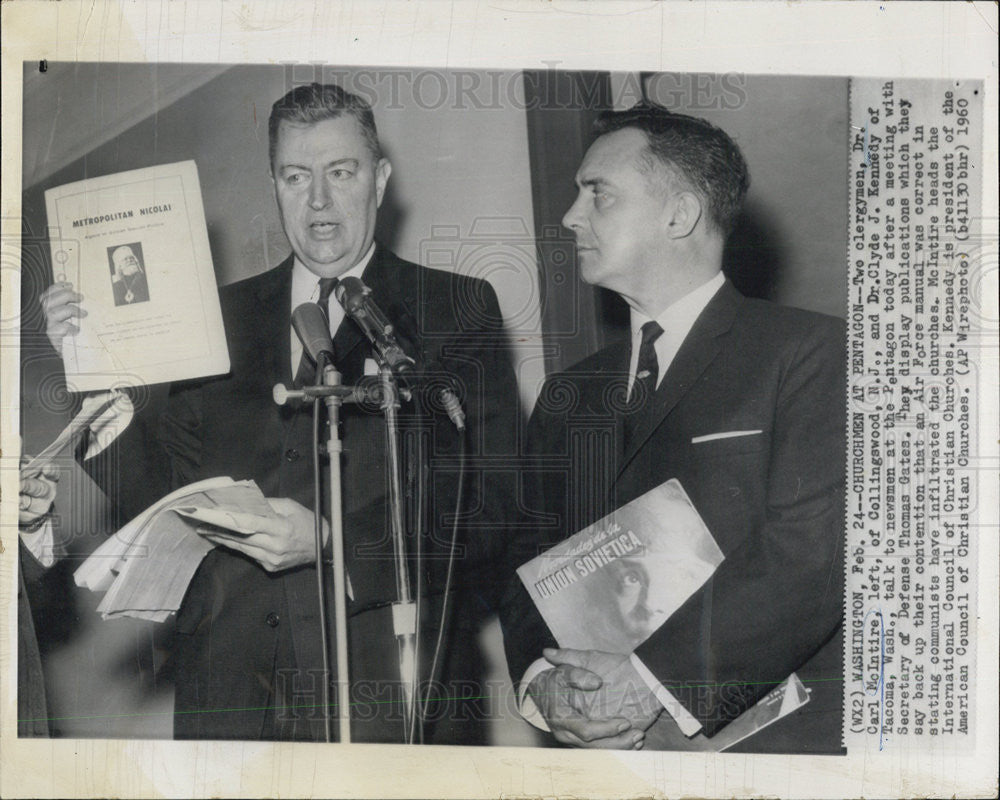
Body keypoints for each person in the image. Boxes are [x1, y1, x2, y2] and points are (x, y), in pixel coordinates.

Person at [41, 83, 520, 744]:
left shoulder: (455, 309)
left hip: (393, 701)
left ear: (379, 180)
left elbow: (490, 506)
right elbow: (161, 501)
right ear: (274, 183)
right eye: (297, 177)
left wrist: (333, 543)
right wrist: (92, 373)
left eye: (341, 173)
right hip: (232, 705)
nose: (319, 202)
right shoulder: (212, 319)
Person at [500, 103, 845, 753]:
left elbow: (810, 558)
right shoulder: (567, 394)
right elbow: (525, 564)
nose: (572, 216)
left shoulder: (810, 353)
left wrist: (650, 682)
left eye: (597, 193)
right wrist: (544, 684)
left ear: (679, 214)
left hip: (775, 752)